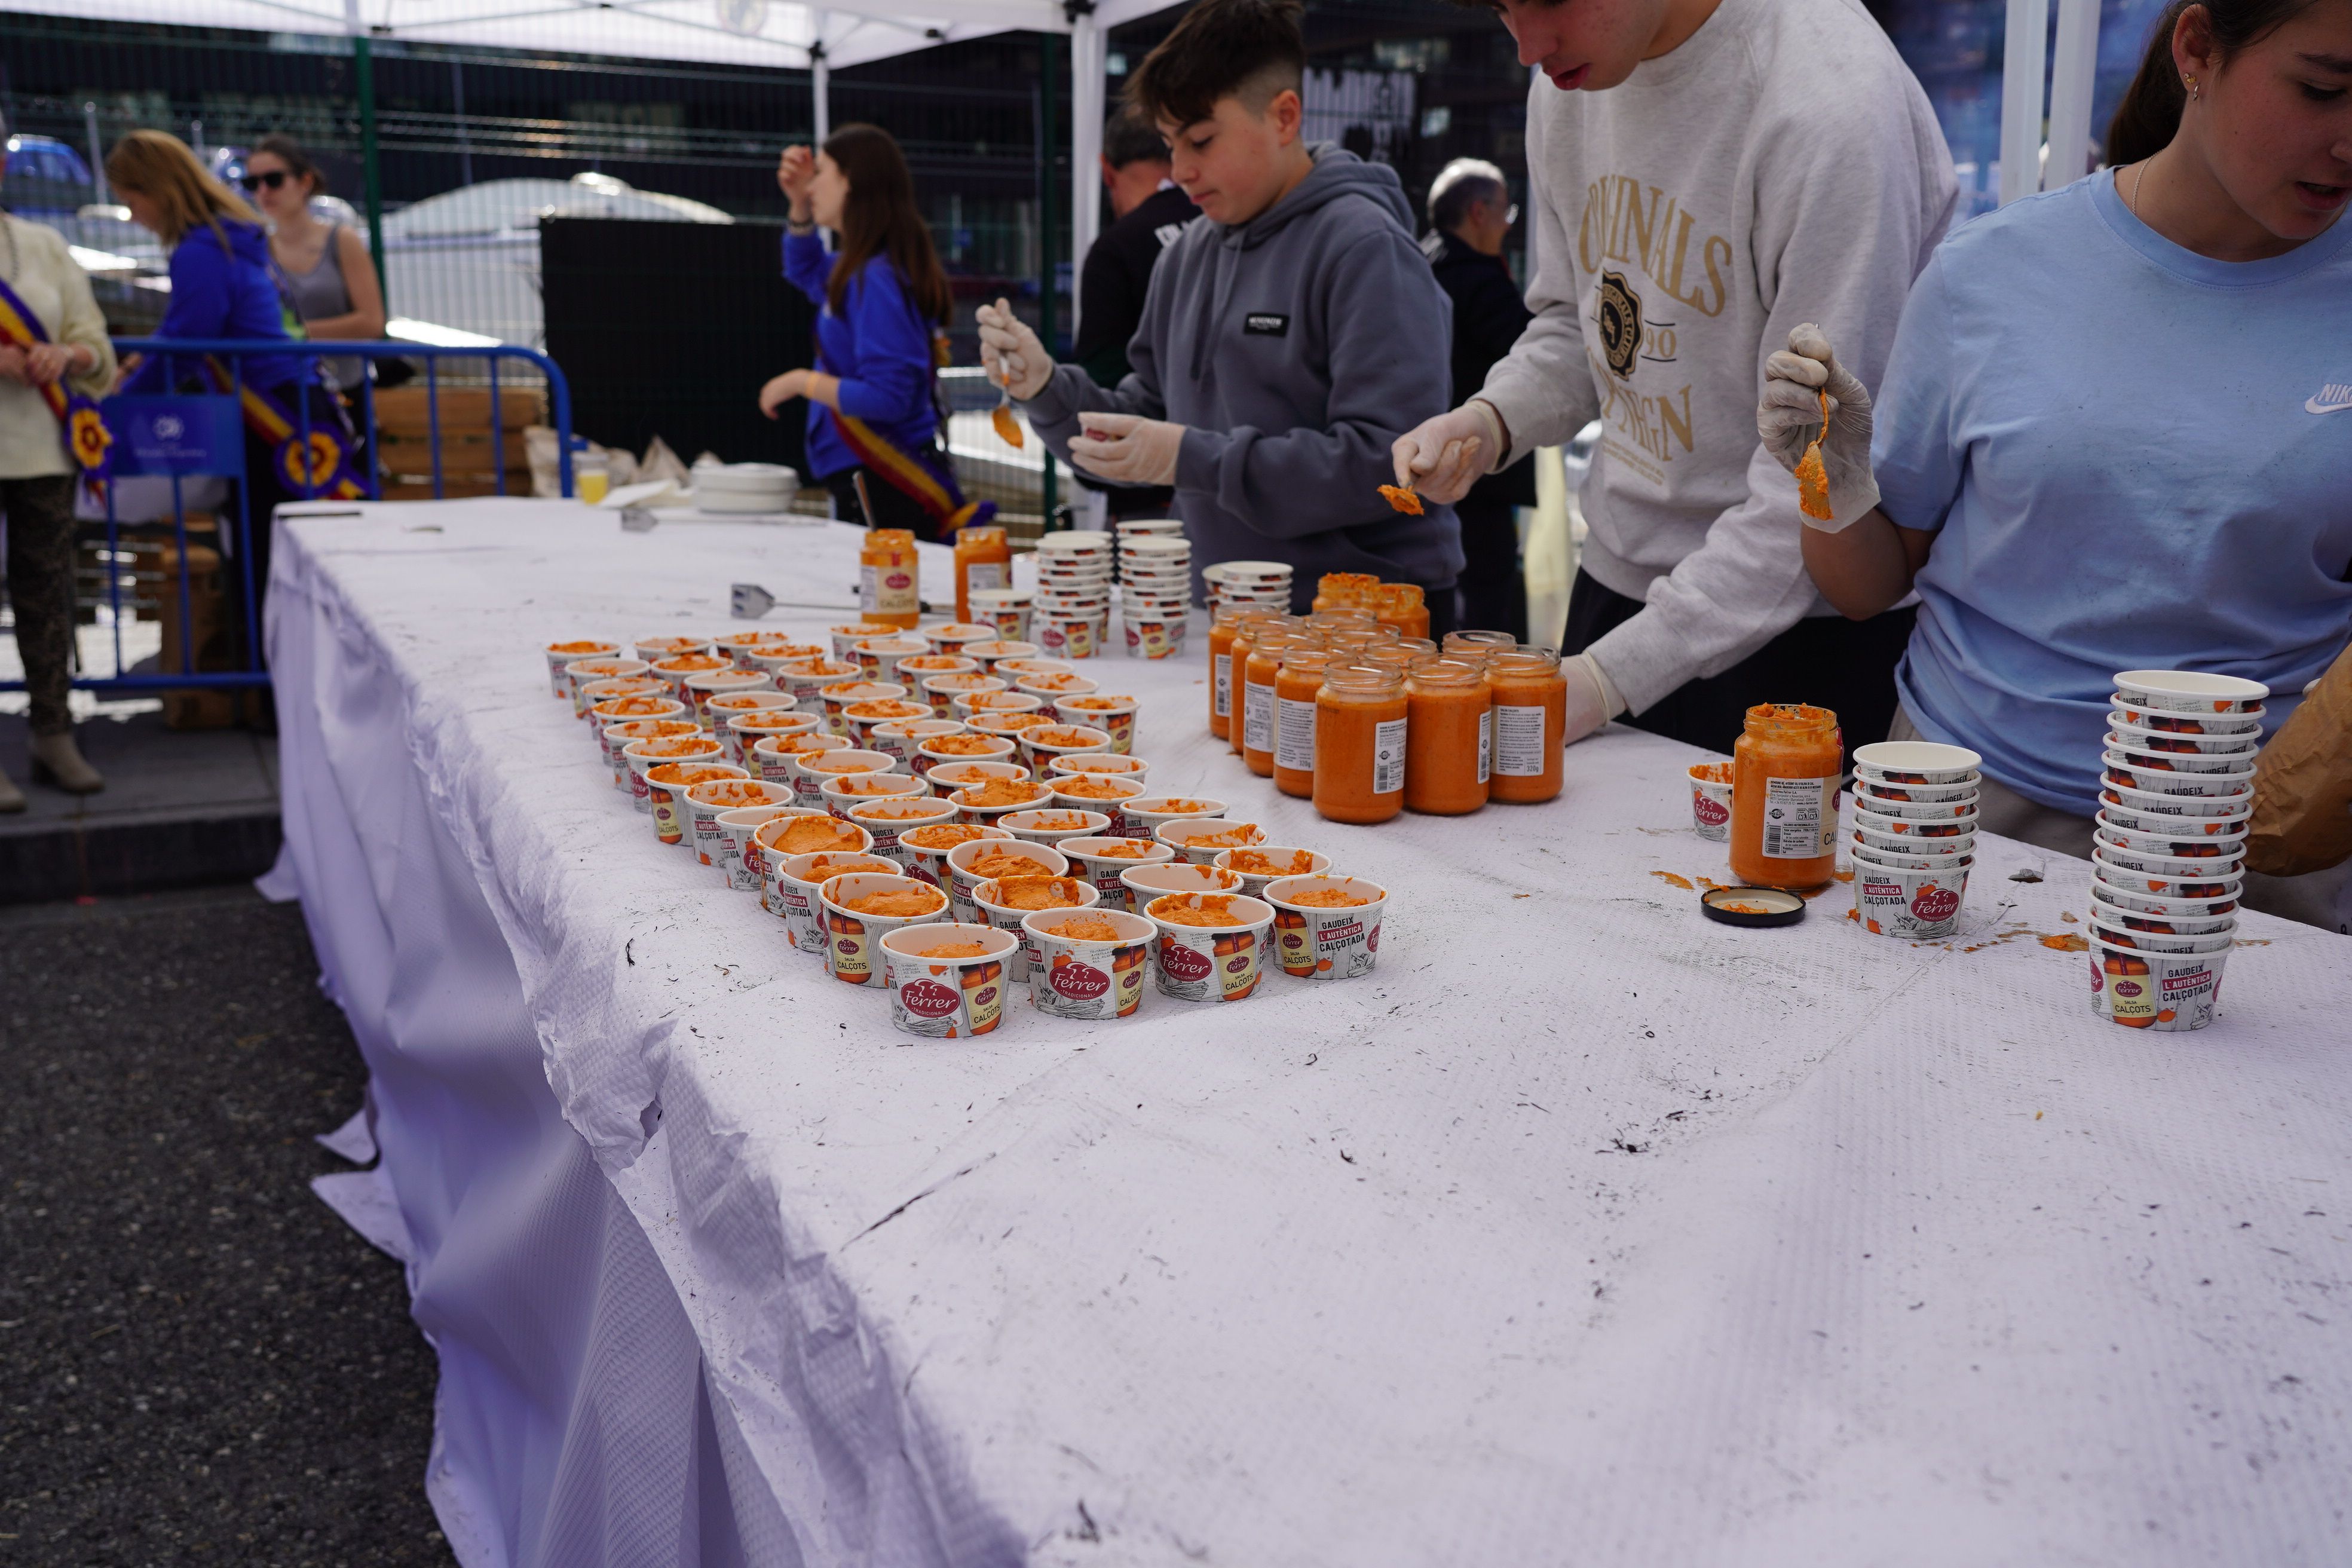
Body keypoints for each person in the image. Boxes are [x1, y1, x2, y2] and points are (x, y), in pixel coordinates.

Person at [1759, 0, 2351, 928]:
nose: (2348, 142)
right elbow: (1866, 587)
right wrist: (1829, 477)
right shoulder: (1992, 274)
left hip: (2251, 850)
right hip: (1969, 815)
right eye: (2324, 90)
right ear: (2198, 50)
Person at [1393, 0, 1956, 761]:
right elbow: (1579, 321)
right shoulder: (1568, 78)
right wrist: (1493, 419)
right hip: (1618, 589)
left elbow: (1816, 473)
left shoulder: (1830, 105)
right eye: (1501, 8)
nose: (1528, 46)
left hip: (1799, 633)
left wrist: (1607, 677)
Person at [977, 0, 1463, 623]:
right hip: (1227, 608)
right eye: (1168, 143)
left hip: (1368, 619)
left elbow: (1395, 466)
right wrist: (1045, 388)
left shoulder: (1366, 248)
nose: (1180, 170)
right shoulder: (1187, 254)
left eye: (1202, 140)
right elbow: (1146, 421)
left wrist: (1190, 457)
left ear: (1284, 116)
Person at [109, 130, 350, 680]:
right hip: (286, 407)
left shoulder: (202, 249)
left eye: (131, 199)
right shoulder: (226, 240)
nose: (131, 215)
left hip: (273, 419)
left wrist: (118, 405)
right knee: (272, 555)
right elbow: (183, 335)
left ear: (157, 190)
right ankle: (275, 689)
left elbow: (187, 344)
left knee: (268, 563)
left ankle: (275, 691)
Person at [761, 123, 988, 542]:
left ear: (853, 182)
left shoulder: (876, 279)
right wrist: (799, 208)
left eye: (822, 172)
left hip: (884, 480)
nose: (812, 184)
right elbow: (804, 271)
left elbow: (890, 398)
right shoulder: (858, 268)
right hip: (869, 478)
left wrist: (802, 382)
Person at [0, 115, 117, 808]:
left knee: (48, 598)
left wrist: (64, 356)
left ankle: (53, 733)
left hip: (42, 450)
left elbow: (94, 342)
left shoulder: (42, 245)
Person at [1067, 109, 1200, 526]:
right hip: (1239, 484)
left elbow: (1101, 388)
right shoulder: (1223, 227)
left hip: (1148, 492)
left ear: (1107, 170)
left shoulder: (1118, 248)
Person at [1422, 158, 1535, 643]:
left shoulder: (1418, 261)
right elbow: (1528, 361)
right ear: (1477, 212)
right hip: (1478, 465)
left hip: (1422, 456)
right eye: (1505, 212)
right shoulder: (1481, 279)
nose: (1509, 226)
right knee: (1488, 598)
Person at [242, 134, 385, 395]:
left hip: (344, 390)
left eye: (274, 180)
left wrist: (295, 334)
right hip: (282, 390)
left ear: (305, 181)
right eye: (252, 183)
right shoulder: (257, 248)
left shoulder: (342, 239)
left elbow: (372, 322)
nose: (263, 192)